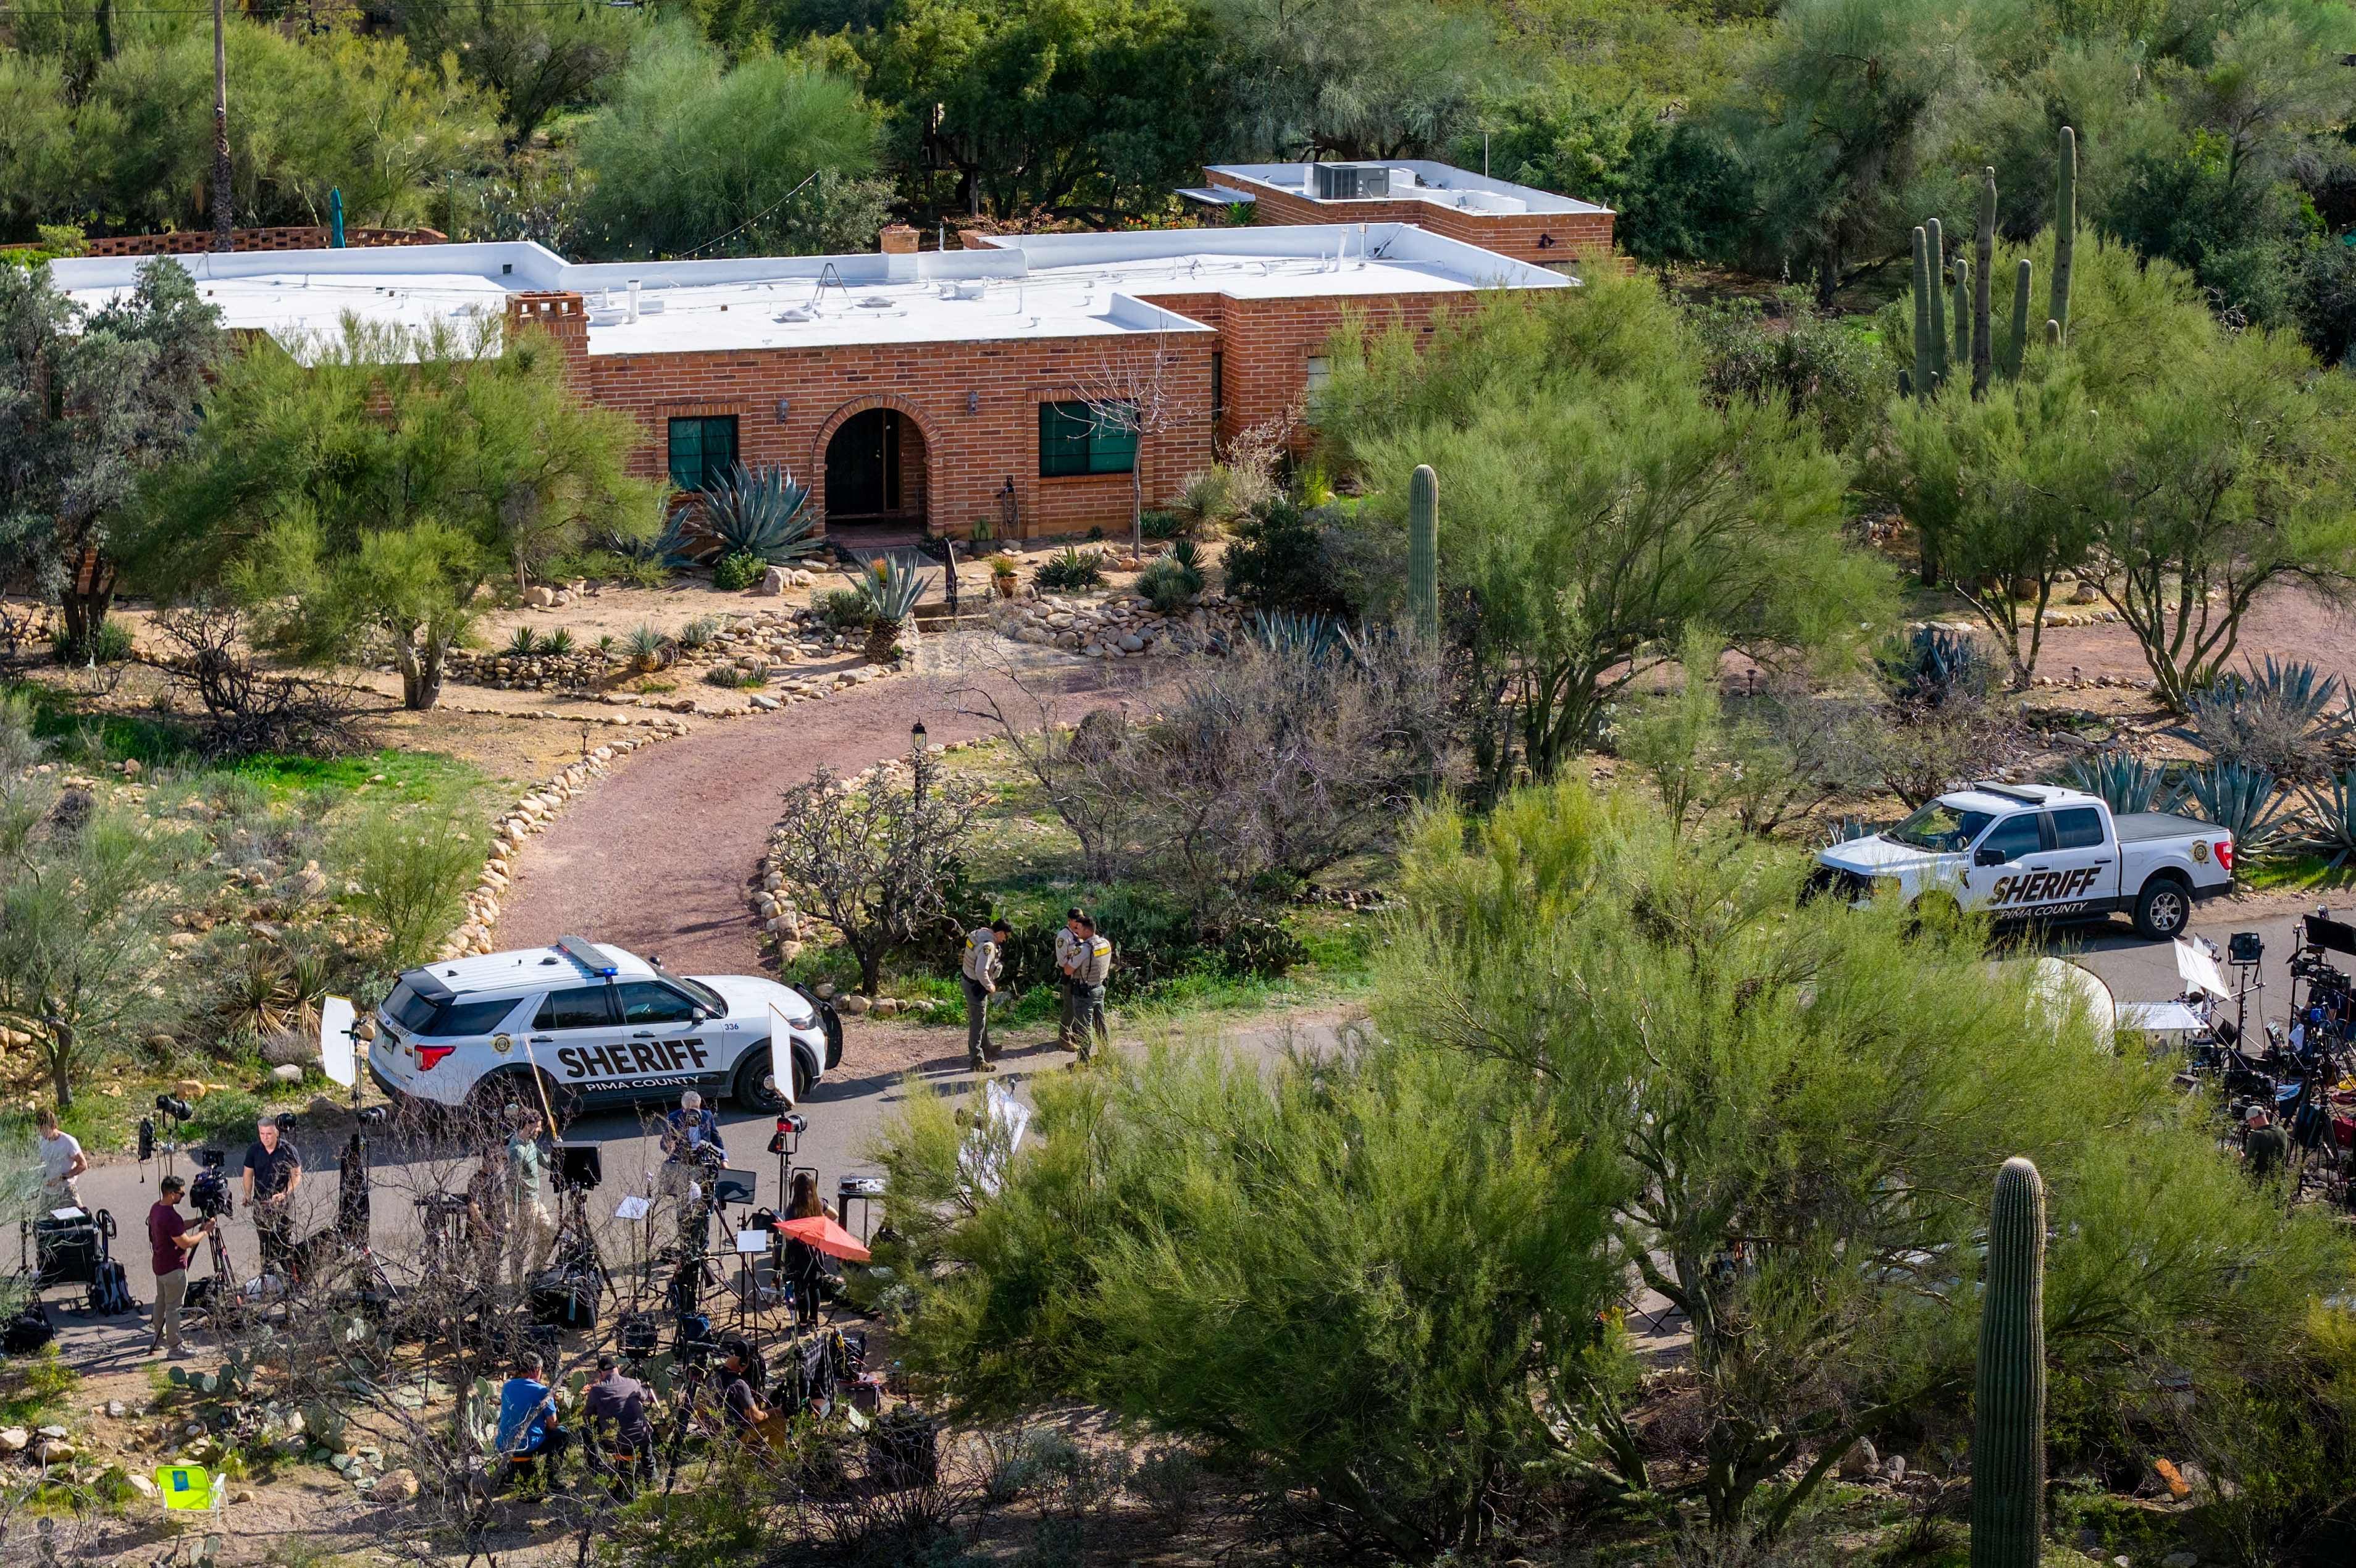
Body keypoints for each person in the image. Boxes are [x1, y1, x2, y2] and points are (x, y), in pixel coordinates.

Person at [145, 1176, 214, 1359]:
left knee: (161, 1302)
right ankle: (175, 1348)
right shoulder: (170, 1216)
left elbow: (178, 1227)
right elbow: (186, 1243)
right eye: (181, 1194)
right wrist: (205, 1232)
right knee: (174, 1308)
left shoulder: (157, 1208)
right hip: (173, 1269)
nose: (183, 1197)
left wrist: (198, 1221)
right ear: (171, 1194)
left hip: (160, 1266)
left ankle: (158, 1339)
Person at [581, 1355, 653, 1495]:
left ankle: (598, 1471)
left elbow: (587, 1416)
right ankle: (651, 1476)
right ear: (618, 1369)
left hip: (616, 1441)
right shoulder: (633, 1383)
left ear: (601, 1373)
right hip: (643, 1438)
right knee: (641, 1425)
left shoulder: (597, 1391)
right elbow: (646, 1395)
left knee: (587, 1430)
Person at [241, 1117, 303, 1280]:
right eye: (262, 1134)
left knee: (285, 1239)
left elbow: (296, 1175)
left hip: (283, 1203)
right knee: (265, 1241)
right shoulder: (254, 1150)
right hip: (262, 1203)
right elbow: (248, 1174)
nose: (265, 1137)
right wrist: (247, 1194)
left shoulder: (288, 1150)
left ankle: (292, 1276)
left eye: (269, 1134)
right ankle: (268, 1276)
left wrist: (285, 1192)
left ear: (276, 1133)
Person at [495, 1350, 569, 1480]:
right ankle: (551, 1479)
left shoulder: (507, 1386)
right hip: (527, 1444)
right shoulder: (542, 1391)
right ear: (537, 1369)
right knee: (561, 1434)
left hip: (505, 1444)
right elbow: (553, 1424)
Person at [507, 1106, 556, 1294]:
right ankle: (518, 1287)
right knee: (521, 1245)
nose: (540, 1130)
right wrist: (513, 1215)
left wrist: (558, 1154)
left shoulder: (530, 1143)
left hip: (535, 1201)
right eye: (538, 1126)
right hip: (523, 1205)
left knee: (548, 1232)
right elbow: (512, 1183)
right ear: (528, 1125)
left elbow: (542, 1159)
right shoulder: (516, 1150)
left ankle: (536, 1271)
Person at [781, 1171, 837, 1328]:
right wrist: (820, 1224)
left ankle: (803, 1323)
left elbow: (790, 1236)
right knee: (815, 1286)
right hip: (816, 1251)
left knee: (802, 1288)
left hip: (800, 1253)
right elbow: (834, 1215)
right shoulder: (819, 1203)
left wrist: (782, 1228)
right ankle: (814, 1321)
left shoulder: (792, 1210)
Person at [961, 918, 1012, 1073]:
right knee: (977, 1022)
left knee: (981, 1018)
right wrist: (990, 986)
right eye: (1005, 936)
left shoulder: (979, 933)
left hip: (968, 980)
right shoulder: (988, 946)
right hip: (976, 986)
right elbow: (980, 970)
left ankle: (986, 1047)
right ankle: (977, 1060)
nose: (1005, 940)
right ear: (1000, 932)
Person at [708, 1341, 771, 1444]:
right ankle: (771, 1455)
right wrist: (773, 1412)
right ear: (743, 1362)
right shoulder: (739, 1384)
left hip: (712, 1434)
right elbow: (756, 1417)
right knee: (778, 1421)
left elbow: (700, 1411)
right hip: (732, 1437)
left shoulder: (713, 1375)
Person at [1072, 915, 1113, 1063]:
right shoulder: (1105, 943)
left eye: (1078, 928)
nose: (1076, 931)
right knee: (1100, 1024)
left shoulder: (1084, 949)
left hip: (1085, 992)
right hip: (1100, 988)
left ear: (1086, 930)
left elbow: (1069, 969)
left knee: (1083, 1026)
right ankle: (1106, 1055)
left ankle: (1083, 1061)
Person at [34, 1108, 85, 1211]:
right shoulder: (42, 1141)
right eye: (40, 1130)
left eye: (44, 1130)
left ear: (53, 1126)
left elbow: (83, 1165)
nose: (42, 1134)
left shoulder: (68, 1142)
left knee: (80, 1218)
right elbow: (43, 1163)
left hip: (66, 1190)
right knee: (44, 1220)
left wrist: (62, 1177)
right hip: (48, 1192)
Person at [2244, 1105, 2292, 1182]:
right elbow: (2286, 1156)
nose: (2250, 1125)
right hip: (2279, 1180)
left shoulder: (2257, 1135)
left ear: (2253, 1120)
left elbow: (2249, 1162)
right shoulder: (2282, 1131)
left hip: (2261, 1182)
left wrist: (2241, 1157)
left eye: (2249, 1122)